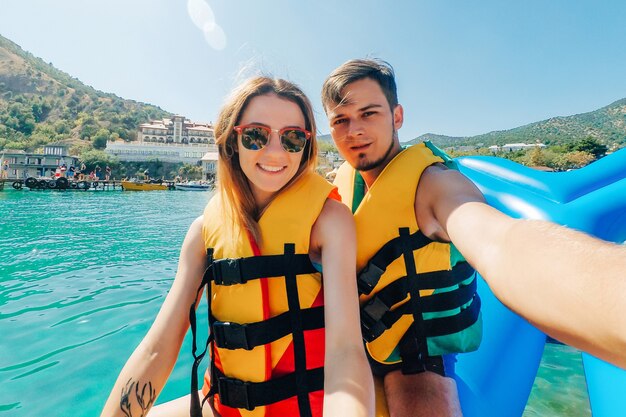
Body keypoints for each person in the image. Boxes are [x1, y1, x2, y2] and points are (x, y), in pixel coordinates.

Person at [322, 58, 626, 417]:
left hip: (417, 359)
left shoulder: (434, 185)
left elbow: (500, 243)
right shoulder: (343, 188)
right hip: (354, 343)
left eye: (369, 113)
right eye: (340, 120)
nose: (353, 130)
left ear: (397, 116)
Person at [101, 77, 374, 417]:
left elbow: (346, 351)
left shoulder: (330, 223)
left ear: (305, 147)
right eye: (256, 135)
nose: (275, 152)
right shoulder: (203, 232)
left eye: (292, 138)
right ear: (233, 141)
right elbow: (158, 348)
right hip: (218, 407)